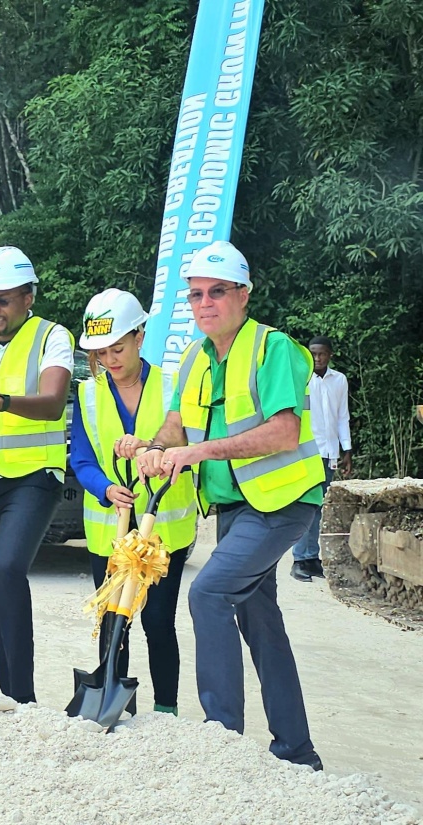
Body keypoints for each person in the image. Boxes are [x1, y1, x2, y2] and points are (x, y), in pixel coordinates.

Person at [132, 240, 326, 770]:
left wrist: (199, 450)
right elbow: (178, 423)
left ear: (244, 294)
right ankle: (296, 750)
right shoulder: (195, 355)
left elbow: (285, 432)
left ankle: (221, 744)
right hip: (237, 507)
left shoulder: (273, 348)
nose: (205, 303)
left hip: (283, 502)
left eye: (218, 292)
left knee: (209, 594)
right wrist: (154, 446)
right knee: (260, 619)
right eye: (196, 295)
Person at [0, 246, 73, 705]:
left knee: (5, 571)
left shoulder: (51, 337)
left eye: (2, 299)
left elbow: (53, 403)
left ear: (28, 298)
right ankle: (5, 694)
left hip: (33, 478)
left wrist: (1, 401)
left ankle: (23, 697)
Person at [69, 288, 197, 716]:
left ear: (140, 337)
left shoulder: (173, 385)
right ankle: (114, 706)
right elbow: (81, 459)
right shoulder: (87, 395)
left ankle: (166, 710)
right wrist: (105, 488)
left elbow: (192, 444)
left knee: (157, 621)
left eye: (117, 348)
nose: (110, 360)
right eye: (101, 353)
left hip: (164, 533)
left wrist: (159, 453)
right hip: (109, 532)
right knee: (112, 622)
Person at [290, 335, 352, 582]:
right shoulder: (302, 379)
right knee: (306, 505)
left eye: (322, 354)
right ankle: (298, 559)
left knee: (321, 507)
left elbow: (342, 416)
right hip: (306, 452)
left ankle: (312, 558)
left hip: (329, 452)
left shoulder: (339, 380)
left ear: (330, 355)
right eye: (313, 354)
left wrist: (346, 449)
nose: (317, 358)